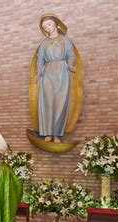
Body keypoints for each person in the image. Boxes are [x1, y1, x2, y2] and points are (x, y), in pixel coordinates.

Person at [35, 13, 76, 143]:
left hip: (62, 73)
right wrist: (38, 73)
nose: (47, 27)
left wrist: (70, 65)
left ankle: (57, 133)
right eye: (44, 26)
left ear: (56, 24)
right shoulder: (43, 44)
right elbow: (40, 60)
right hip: (47, 74)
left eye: (49, 24)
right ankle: (47, 132)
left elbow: (72, 55)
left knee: (60, 103)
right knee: (47, 102)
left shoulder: (65, 40)